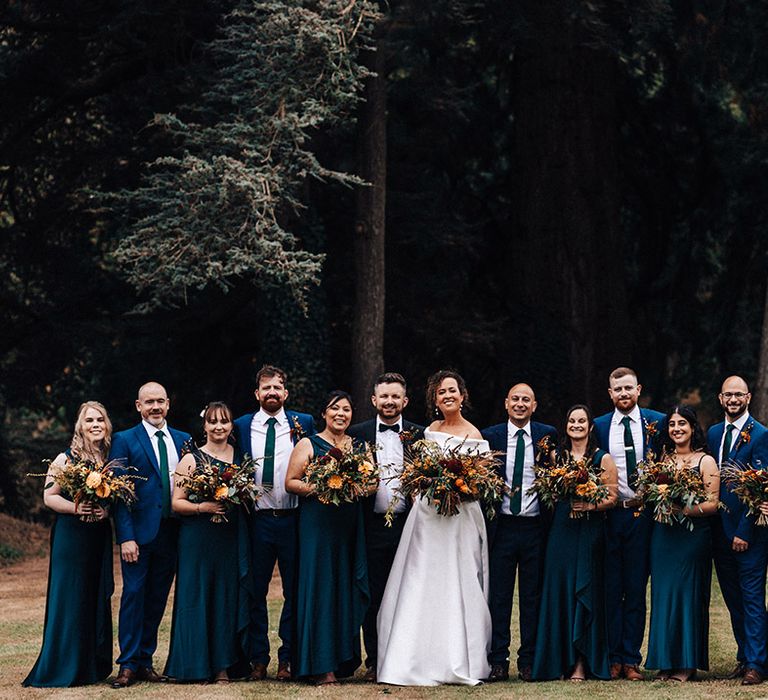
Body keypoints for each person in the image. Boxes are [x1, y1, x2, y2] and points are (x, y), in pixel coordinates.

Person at [376, 370, 492, 686]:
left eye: (452, 390)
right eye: (441, 393)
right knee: (422, 581)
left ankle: (456, 657)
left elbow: (481, 484)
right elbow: (417, 476)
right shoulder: (429, 432)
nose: (447, 396)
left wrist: (458, 489)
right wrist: (428, 486)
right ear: (435, 400)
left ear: (462, 395)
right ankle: (412, 659)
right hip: (429, 518)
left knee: (459, 580)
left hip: (460, 520)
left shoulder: (476, 435)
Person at [233, 365, 315, 681]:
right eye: (266, 388)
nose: (271, 392)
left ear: (286, 393)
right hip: (257, 521)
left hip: (294, 518)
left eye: (277, 387)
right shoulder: (242, 426)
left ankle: (288, 658)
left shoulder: (302, 424)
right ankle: (257, 659)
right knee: (255, 591)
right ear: (257, 393)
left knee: (295, 591)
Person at [23, 402, 114, 687]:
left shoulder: (109, 459)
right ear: (80, 425)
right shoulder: (65, 458)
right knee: (70, 597)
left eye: (100, 419)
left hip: (97, 537)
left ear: (107, 424)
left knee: (93, 595)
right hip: (71, 537)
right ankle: (62, 667)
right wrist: (78, 509)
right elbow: (50, 497)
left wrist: (106, 511)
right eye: (90, 420)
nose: (96, 424)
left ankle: (88, 666)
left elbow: (113, 497)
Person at [285, 390, 370, 685]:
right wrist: (323, 490)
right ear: (324, 413)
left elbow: (371, 484)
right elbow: (291, 482)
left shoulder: (359, 446)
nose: (341, 414)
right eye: (335, 409)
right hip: (317, 526)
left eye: (346, 409)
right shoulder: (308, 443)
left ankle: (343, 660)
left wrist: (356, 489)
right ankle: (319, 664)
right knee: (319, 588)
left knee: (344, 587)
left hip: (347, 526)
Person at [110, 382, 191, 688]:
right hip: (139, 535)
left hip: (173, 532)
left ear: (168, 404)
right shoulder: (124, 440)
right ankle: (128, 664)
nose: (155, 407)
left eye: (160, 401)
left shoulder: (183, 440)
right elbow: (119, 492)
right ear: (138, 406)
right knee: (133, 597)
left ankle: (145, 659)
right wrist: (125, 537)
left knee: (157, 598)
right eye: (149, 402)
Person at [164, 402, 251, 683]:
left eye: (224, 422)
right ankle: (195, 663)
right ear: (204, 426)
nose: (218, 427)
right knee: (198, 596)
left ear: (231, 425)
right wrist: (205, 507)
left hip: (229, 537)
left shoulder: (241, 457)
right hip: (198, 539)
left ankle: (224, 664)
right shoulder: (191, 459)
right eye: (213, 422)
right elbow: (176, 504)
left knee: (226, 598)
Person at [347, 372, 424, 681]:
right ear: (374, 399)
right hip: (370, 525)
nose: (390, 401)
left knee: (409, 594)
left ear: (404, 401)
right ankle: (376, 661)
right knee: (373, 594)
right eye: (384, 396)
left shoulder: (420, 435)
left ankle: (406, 659)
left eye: (396, 396)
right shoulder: (357, 434)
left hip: (411, 527)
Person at [532, 405, 618, 681]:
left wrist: (589, 504)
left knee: (586, 591)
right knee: (559, 591)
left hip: (589, 531)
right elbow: (546, 489)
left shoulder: (602, 458)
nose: (577, 425)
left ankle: (581, 663)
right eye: (572, 420)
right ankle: (558, 661)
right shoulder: (557, 457)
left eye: (582, 421)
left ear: (591, 427)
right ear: (566, 425)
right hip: (562, 530)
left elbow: (612, 498)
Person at [482, 383, 557, 682]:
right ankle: (497, 660)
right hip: (502, 526)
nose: (520, 404)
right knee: (498, 597)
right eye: (515, 399)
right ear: (506, 403)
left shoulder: (547, 435)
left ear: (534, 405)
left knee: (532, 597)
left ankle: (529, 660)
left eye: (526, 400)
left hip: (535, 527)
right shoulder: (491, 437)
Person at [594, 367, 664, 680]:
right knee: (611, 588)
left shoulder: (657, 422)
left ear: (638, 389)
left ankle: (631, 658)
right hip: (610, 514)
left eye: (628, 389)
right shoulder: (599, 426)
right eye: (617, 390)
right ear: (610, 394)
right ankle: (612, 657)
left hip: (643, 515)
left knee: (636, 588)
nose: (623, 394)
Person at [646, 404, 718, 682]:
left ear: (692, 428)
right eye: (672, 425)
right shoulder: (662, 461)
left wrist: (684, 510)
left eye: (682, 424)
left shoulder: (705, 461)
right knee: (663, 597)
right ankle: (665, 662)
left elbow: (712, 504)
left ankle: (687, 664)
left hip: (692, 537)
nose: (676, 429)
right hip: (663, 537)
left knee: (687, 596)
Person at [708, 376, 768, 686]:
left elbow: (759, 490)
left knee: (752, 598)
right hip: (718, 531)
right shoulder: (715, 432)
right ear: (720, 398)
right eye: (728, 395)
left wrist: (744, 531)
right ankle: (745, 656)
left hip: (749, 534)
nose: (733, 399)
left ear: (747, 397)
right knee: (732, 599)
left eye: (738, 395)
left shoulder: (760, 435)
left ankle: (758, 663)